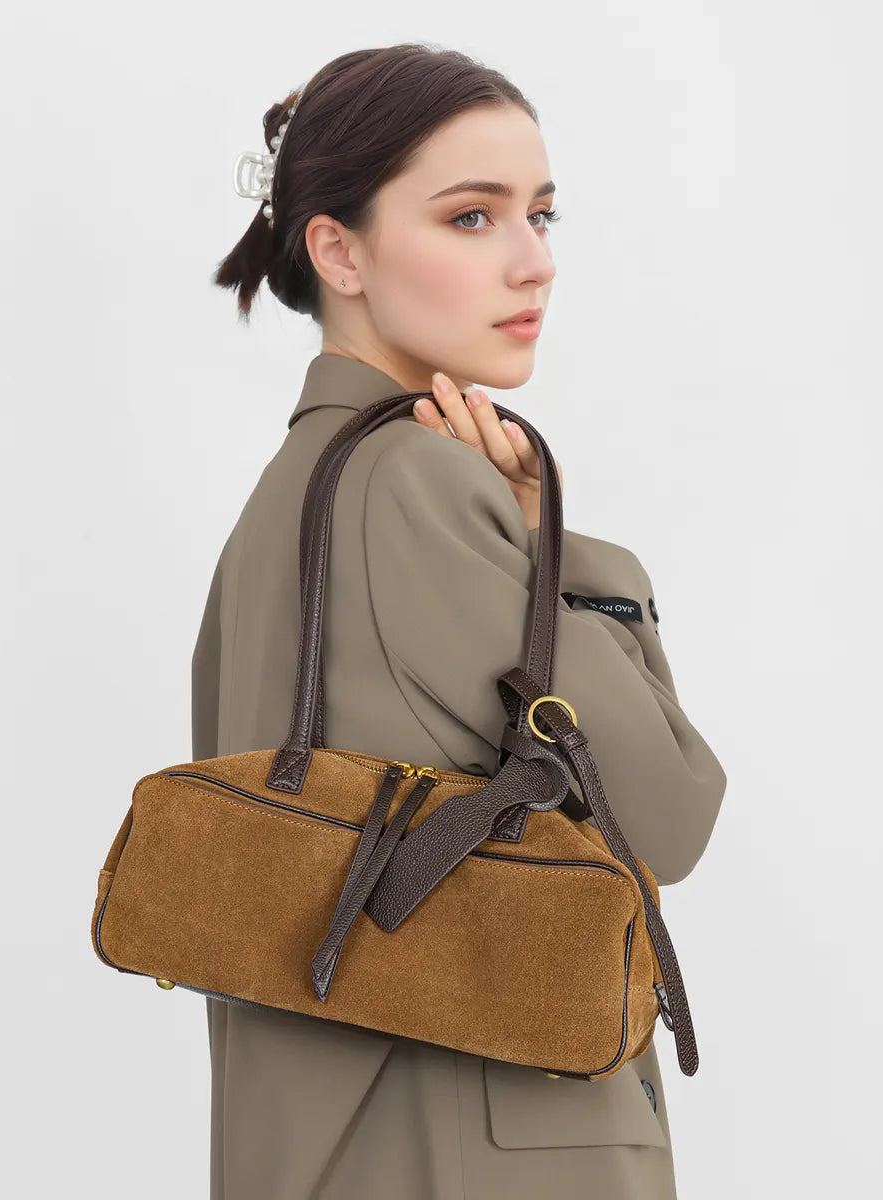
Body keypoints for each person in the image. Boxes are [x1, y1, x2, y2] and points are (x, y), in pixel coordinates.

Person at [194, 41, 727, 1200]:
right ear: (337, 249)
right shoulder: (416, 484)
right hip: (487, 1151)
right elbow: (672, 812)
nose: (534, 263)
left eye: (542, 213)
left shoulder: (284, 508)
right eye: (472, 218)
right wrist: (564, 551)